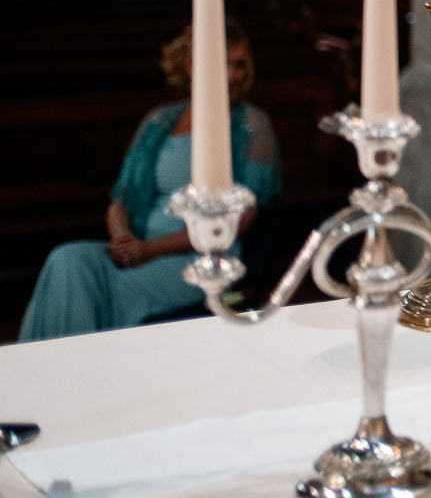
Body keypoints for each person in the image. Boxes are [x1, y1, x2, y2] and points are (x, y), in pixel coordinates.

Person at [21, 23, 282, 341]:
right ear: (191, 67)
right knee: (67, 260)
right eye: (223, 64)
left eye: (240, 64)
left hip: (199, 261)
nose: (234, 75)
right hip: (137, 247)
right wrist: (122, 239)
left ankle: (83, 375)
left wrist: (150, 250)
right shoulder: (161, 120)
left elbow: (241, 219)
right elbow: (121, 200)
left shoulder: (253, 126)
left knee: (91, 289)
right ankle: (52, 375)